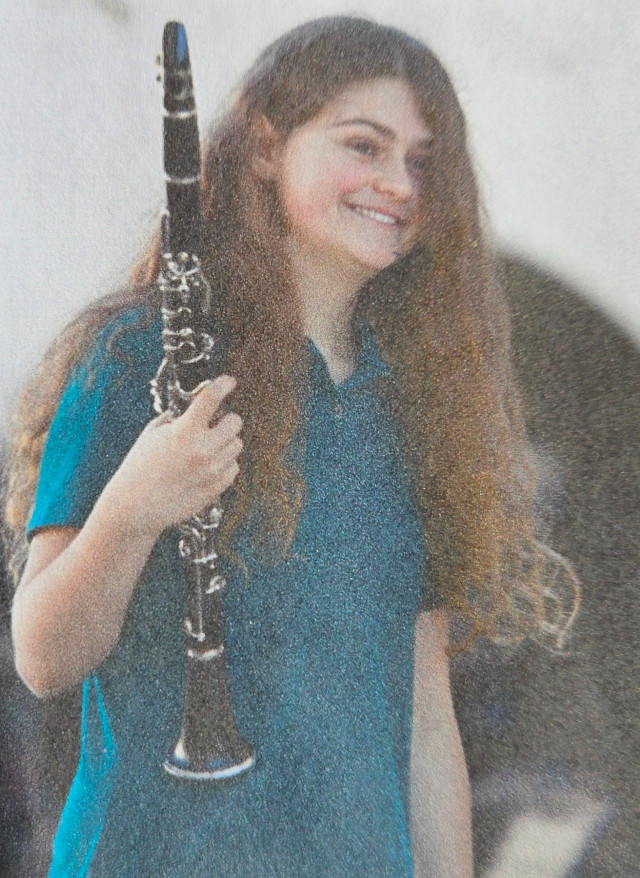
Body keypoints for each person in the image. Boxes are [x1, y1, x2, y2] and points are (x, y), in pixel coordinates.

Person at [4, 15, 558, 878]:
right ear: (265, 147)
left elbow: (426, 717)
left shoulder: (419, 405)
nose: (398, 183)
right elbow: (43, 658)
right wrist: (134, 508)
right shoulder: (137, 356)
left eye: (421, 162)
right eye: (364, 146)